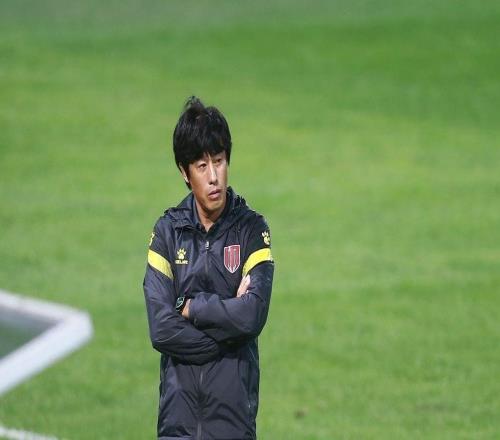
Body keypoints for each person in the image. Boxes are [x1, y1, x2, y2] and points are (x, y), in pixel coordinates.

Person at [143, 96, 274, 440]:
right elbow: (161, 330)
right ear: (184, 173)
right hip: (177, 425)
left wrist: (190, 308)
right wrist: (226, 337)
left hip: (232, 424)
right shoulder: (167, 233)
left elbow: (252, 315)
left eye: (219, 161)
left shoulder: (251, 230)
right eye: (202, 166)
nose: (214, 176)